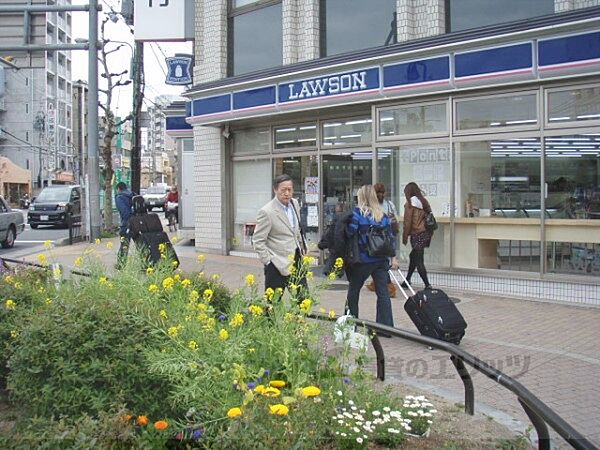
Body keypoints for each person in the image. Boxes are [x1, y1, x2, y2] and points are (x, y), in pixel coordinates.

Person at [345, 185, 399, 328]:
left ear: (361, 197)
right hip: (381, 259)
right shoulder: (383, 216)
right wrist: (393, 257)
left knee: (354, 290)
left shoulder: (357, 214)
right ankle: (386, 327)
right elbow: (391, 238)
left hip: (364, 259)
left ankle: (351, 324)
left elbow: (350, 232)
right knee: (383, 293)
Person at [252, 174, 308, 293]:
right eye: (283, 190)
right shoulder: (267, 212)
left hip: (296, 258)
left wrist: (302, 246)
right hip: (276, 262)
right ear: (275, 190)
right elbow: (257, 240)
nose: (287, 193)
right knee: (273, 304)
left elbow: (295, 230)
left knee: (303, 299)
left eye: (290, 189)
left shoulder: (294, 204)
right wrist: (268, 261)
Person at [366, 183, 399, 297]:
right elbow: (396, 219)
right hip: (388, 236)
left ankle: (389, 288)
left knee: (380, 263)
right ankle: (376, 284)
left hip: (376, 240)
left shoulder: (371, 206)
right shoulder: (390, 204)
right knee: (382, 263)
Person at [402, 182, 433, 289]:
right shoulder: (423, 201)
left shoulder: (410, 204)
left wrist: (405, 237)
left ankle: (427, 284)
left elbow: (407, 222)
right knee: (413, 256)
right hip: (426, 233)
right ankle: (407, 280)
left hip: (417, 234)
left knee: (419, 259)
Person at [115, 182, 134, 267]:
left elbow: (124, 212)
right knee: (141, 243)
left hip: (126, 224)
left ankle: (121, 264)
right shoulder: (133, 195)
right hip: (137, 222)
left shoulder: (120, 197)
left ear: (119, 189)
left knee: (124, 244)